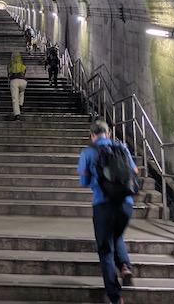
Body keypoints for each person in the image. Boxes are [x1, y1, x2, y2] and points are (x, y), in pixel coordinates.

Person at [77, 120, 137, 304]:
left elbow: (84, 181)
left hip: (103, 205)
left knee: (105, 250)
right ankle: (125, 266)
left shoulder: (88, 152)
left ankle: (115, 297)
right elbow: (134, 171)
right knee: (116, 235)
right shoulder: (122, 148)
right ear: (108, 134)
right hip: (126, 204)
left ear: (92, 135)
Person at [7, 51, 27, 121]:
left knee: (15, 98)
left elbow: (9, 73)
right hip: (23, 81)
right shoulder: (22, 63)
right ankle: (21, 104)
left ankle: (17, 115)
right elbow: (24, 71)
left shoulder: (11, 64)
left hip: (14, 81)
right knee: (21, 92)